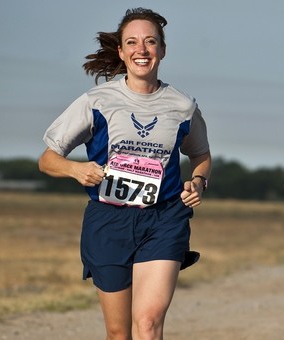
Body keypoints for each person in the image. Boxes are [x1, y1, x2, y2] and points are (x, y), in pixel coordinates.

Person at [38, 8, 211, 339]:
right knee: (119, 333)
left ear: (162, 49)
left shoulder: (182, 106)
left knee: (147, 324)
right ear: (121, 51)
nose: (141, 50)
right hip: (108, 221)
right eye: (132, 42)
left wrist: (199, 181)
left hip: (164, 218)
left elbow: (200, 154)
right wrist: (77, 170)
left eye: (150, 41)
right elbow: (47, 159)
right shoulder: (97, 101)